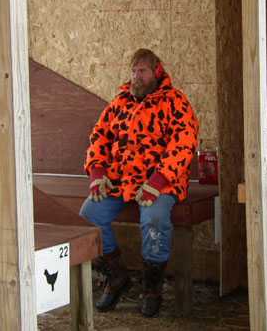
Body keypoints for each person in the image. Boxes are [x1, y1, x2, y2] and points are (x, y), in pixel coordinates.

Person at [80, 48, 199, 317]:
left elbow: (184, 144)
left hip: (162, 182)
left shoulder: (175, 102)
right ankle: (116, 276)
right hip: (120, 181)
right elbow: (99, 137)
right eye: (133, 71)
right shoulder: (120, 102)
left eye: (142, 71)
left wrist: (157, 181)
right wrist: (97, 174)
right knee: (89, 215)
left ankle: (152, 288)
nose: (136, 76)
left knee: (154, 219)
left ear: (157, 71)